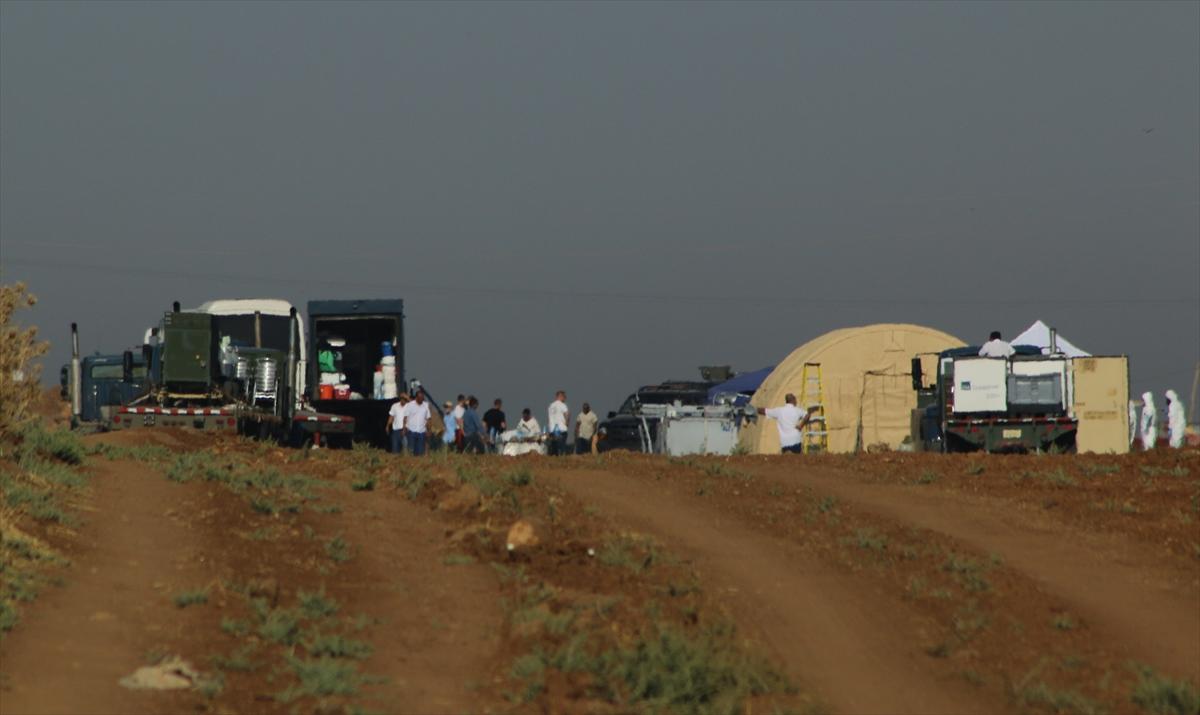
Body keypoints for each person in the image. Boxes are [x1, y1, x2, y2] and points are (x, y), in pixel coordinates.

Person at [402, 390, 432, 456]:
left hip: (421, 432)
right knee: (411, 451)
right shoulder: (409, 405)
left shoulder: (426, 406)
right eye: (420, 398)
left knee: (420, 452)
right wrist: (404, 428)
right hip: (411, 431)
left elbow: (428, 419)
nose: (421, 399)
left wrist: (429, 430)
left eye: (422, 398)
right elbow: (405, 418)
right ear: (416, 397)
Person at [547, 390, 570, 456]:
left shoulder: (551, 406)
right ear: (560, 396)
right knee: (562, 448)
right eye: (564, 396)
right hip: (561, 430)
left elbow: (549, 419)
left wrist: (550, 428)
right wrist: (567, 424)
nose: (565, 398)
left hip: (552, 431)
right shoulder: (563, 405)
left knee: (554, 449)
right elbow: (567, 415)